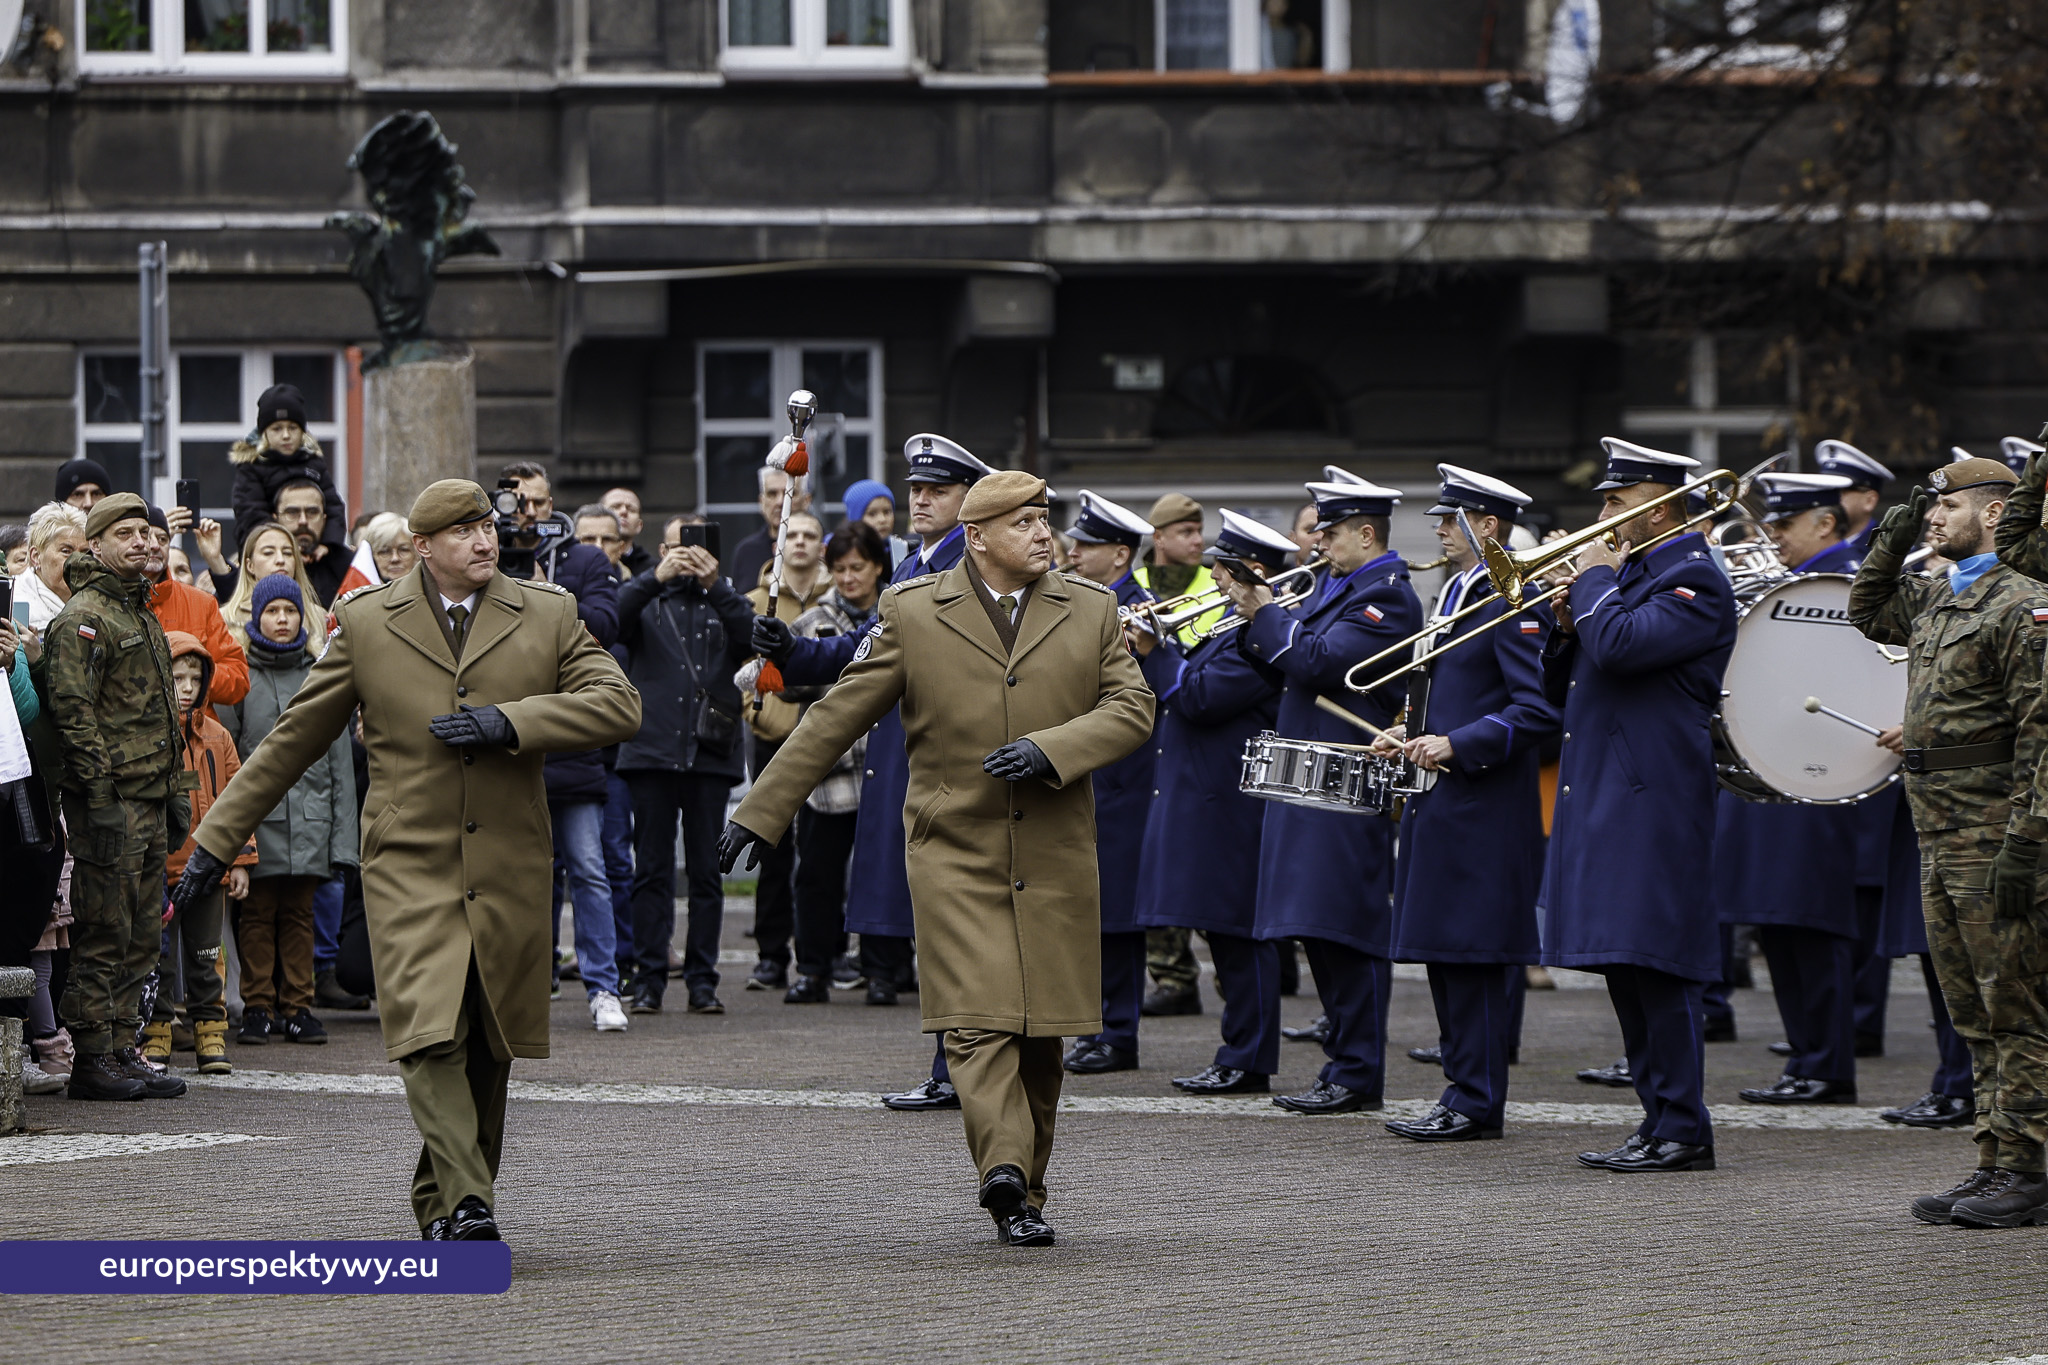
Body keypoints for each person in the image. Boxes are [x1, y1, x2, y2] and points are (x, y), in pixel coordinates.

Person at [174, 478, 641, 1241]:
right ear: (420, 548)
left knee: (491, 1042)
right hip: (407, 861)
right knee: (430, 1030)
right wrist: (215, 838)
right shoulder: (365, 622)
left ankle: (446, 1203)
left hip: (510, 861)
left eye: (487, 526)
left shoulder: (547, 612)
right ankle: (470, 1204)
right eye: (462, 532)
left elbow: (618, 703)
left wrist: (511, 721)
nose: (484, 540)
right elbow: (290, 740)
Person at [720, 470, 1154, 1246]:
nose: (1044, 533)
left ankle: (1026, 1183)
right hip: (953, 849)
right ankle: (1004, 1175)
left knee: (1041, 1035)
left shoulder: (1092, 609)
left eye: (1045, 519)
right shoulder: (913, 611)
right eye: (1023, 522)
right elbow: (832, 716)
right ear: (978, 537)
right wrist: (763, 810)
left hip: (1055, 851)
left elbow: (1131, 708)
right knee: (977, 1019)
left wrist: (1052, 748)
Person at [751, 434, 993, 1105]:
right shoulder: (919, 561)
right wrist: (796, 654)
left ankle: (964, 1069)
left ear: (969, 500)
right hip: (904, 760)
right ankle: (953, 1065)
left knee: (953, 925)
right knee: (934, 924)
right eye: (914, 489)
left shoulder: (967, 566)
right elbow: (870, 652)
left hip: (946, 760)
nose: (918, 500)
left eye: (935, 490)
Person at [1852, 451, 2048, 1227]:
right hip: (1937, 831)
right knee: (1970, 1009)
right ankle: (1993, 1158)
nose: (1935, 518)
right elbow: (1866, 608)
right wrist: (1899, 523)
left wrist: (2028, 841)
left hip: (1995, 832)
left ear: (1995, 512)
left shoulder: (2025, 605)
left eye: (1946, 507)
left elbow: (2043, 735)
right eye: (1930, 509)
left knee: (2017, 1008)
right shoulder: (1936, 595)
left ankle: (2029, 1168)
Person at [1540, 439, 1735, 1173]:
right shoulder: (1633, 576)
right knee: (1626, 960)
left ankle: (1684, 1125)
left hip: (1653, 789)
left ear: (1659, 503)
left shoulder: (1694, 580)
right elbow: (1577, 675)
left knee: (1660, 959)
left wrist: (1591, 585)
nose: (1603, 517)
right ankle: (1657, 1119)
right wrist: (1566, 626)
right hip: (1612, 785)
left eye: (1616, 503)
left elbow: (1622, 647)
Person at [1221, 473, 1421, 1116]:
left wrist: (1263, 613)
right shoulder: (1337, 584)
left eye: (1331, 533)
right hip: (1308, 775)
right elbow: (1293, 663)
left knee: (1347, 927)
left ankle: (1358, 1071)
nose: (1319, 543)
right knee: (1315, 927)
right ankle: (1343, 1062)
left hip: (1347, 776)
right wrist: (1255, 623)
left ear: (1367, 533)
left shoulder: (1387, 597)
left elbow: (1320, 662)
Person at [1368, 466, 1557, 1142]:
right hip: (1444, 802)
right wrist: (1409, 727)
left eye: (1453, 518)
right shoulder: (1458, 589)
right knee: (1447, 953)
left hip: (1483, 802)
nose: (1440, 528)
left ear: (1488, 526)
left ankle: (1476, 1099)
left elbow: (1534, 711)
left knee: (1474, 957)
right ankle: (1459, 1090)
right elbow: (1449, 688)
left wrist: (1456, 742)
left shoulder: (1509, 592)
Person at [1717, 474, 1868, 1106]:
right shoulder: (1786, 584)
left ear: (1825, 524)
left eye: (1785, 524)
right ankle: (1808, 1057)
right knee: (1779, 921)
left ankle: (1827, 1064)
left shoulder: (1852, 585)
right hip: (1774, 768)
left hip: (1821, 771)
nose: (1771, 535)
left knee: (1810, 922)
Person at [1135, 510, 1292, 1095]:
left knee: (1241, 934)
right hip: (1213, 799)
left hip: (1234, 802)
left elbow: (1199, 697)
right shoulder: (1236, 629)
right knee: (1224, 932)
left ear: (1253, 573)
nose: (1217, 582)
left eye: (1225, 572)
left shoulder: (1261, 635)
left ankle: (1248, 1058)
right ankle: (1237, 1051)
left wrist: (1156, 650)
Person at [43, 492, 190, 1102]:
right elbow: (73, 713)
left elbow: (161, 715)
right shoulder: (85, 617)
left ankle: (123, 1046)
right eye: (125, 534)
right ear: (96, 545)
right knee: (105, 927)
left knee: (140, 932)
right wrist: (98, 796)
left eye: (147, 534)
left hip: (150, 798)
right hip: (111, 799)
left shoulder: (141, 612)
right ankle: (92, 1057)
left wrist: (178, 792)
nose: (142, 543)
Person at [615, 514, 756, 1016]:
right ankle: (649, 978)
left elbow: (752, 637)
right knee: (651, 870)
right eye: (679, 547)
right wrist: (656, 576)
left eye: (698, 548)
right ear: (661, 548)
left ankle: (702, 980)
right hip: (651, 752)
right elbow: (612, 620)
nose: (689, 555)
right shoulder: (647, 596)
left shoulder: (726, 598)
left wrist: (716, 583)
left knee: (706, 872)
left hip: (709, 755)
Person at [215, 575, 358, 1046]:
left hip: (311, 825)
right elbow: (228, 758)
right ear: (256, 616)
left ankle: (298, 1006)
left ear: (302, 617)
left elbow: (340, 766)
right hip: (260, 826)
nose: (282, 619)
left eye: (290, 611)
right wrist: (231, 839)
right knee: (255, 918)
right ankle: (257, 1006)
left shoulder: (322, 674)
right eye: (272, 611)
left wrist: (343, 842)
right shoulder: (242, 678)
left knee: (301, 917)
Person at [1059, 490, 1162, 1074]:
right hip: (1093, 774)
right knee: (1089, 910)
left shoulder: (1136, 611)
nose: (1072, 552)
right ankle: (1097, 1025)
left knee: (1116, 914)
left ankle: (1118, 1032)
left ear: (1120, 555)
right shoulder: (1091, 602)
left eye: (1087, 545)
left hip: (1122, 778)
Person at [778, 521, 889, 1003]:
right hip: (830, 777)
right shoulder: (813, 621)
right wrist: (783, 656)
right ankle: (814, 969)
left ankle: (886, 971)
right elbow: (786, 683)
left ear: (878, 568)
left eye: (857, 568)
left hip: (885, 772)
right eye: (839, 569)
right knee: (817, 878)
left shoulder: (900, 616)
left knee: (884, 873)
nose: (848, 578)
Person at [150, 630, 256, 1073]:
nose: (188, 687)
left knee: (205, 954)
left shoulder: (218, 736)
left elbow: (238, 800)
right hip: (158, 867)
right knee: (156, 956)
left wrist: (240, 860)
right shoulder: (149, 733)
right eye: (177, 678)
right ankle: (156, 1031)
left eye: (195, 678)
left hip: (209, 865)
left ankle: (210, 1032)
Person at [741, 509, 832, 994]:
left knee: (821, 853)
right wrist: (770, 720)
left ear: (822, 545)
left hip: (828, 744)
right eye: (790, 534)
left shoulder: (838, 600)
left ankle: (824, 954)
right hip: (774, 739)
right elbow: (743, 675)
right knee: (769, 845)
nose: (799, 542)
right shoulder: (758, 601)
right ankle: (771, 954)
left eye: (809, 535)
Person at [1133, 492, 1212, 1019]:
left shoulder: (1214, 586)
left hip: (1191, 730)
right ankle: (1170, 971)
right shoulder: (1134, 589)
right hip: (1140, 733)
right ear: (1158, 538)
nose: (1197, 542)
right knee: (1151, 858)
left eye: (1199, 532)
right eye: (1185, 533)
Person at [139, 505, 250, 720]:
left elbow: (238, 678)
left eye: (163, 539)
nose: (155, 546)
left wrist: (195, 677)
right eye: (146, 536)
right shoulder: (108, 601)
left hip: (193, 740)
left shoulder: (201, 604)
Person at [230, 383, 347, 567]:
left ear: (302, 431)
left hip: (315, 552)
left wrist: (328, 543)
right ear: (264, 433)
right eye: (277, 428)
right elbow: (251, 514)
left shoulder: (314, 463)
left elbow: (333, 507)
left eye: (292, 428)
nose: (286, 435)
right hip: (267, 554)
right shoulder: (251, 467)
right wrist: (286, 549)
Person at [218, 522, 325, 637]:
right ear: (250, 565)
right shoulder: (225, 617)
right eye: (268, 553)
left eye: (287, 553)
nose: (280, 560)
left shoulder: (318, 617)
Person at [731, 465, 813, 596]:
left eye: (790, 493)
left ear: (806, 501)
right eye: (772, 494)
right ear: (761, 502)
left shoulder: (825, 547)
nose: (780, 501)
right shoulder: (746, 552)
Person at [273, 479, 352, 606]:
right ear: (276, 518)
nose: (303, 521)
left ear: (324, 518)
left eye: (312, 512)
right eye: (292, 513)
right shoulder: (260, 564)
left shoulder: (348, 567)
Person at [1812, 440, 1893, 557]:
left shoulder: (1891, 552)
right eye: (1825, 490)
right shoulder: (1807, 546)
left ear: (1869, 501)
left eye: (1838, 491)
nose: (1827, 499)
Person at [20, 501, 86, 632]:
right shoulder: (11, 603)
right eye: (66, 551)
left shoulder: (101, 600)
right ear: (36, 556)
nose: (79, 561)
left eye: (85, 553)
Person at [333, 511, 417, 601]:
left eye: (404, 550)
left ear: (416, 555)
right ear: (371, 556)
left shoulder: (430, 596)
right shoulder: (355, 603)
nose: (395, 558)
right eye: (385, 552)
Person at [601, 487, 654, 579]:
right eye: (615, 507)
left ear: (639, 525)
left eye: (631, 509)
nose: (624, 512)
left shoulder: (653, 570)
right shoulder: (584, 562)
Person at [574, 504, 627, 570]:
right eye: (589, 539)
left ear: (620, 548)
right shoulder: (558, 579)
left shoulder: (637, 580)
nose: (599, 546)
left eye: (607, 539)